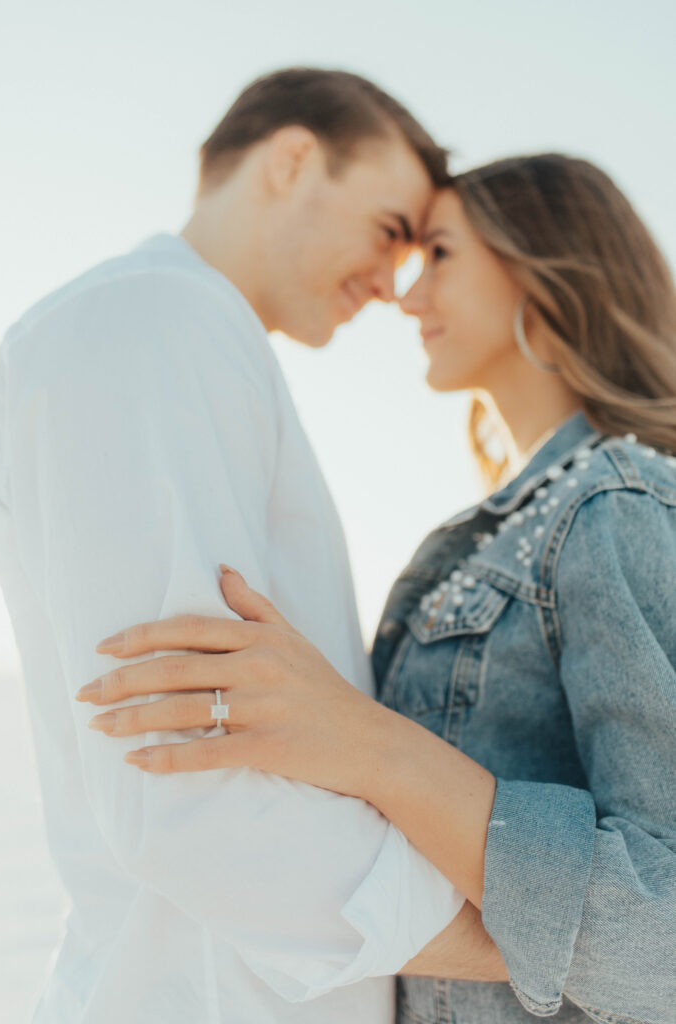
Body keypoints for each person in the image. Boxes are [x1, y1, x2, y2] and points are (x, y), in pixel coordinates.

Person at [85, 154, 676, 1024]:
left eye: (438, 254)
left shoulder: (614, 502)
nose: (405, 296)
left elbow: (660, 946)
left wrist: (361, 740)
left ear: (540, 269)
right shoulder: (476, 539)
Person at [0, 68, 504, 1024]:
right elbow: (184, 778)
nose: (393, 284)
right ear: (294, 159)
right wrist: (538, 945)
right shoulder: (150, 319)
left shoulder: (189, 334)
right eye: (390, 229)